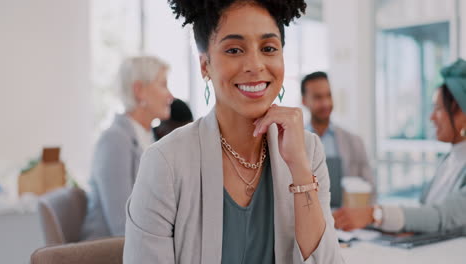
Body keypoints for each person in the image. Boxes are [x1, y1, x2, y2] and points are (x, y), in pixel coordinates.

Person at [124, 0, 343, 263]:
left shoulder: (307, 151)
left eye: (269, 48)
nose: (255, 65)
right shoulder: (165, 162)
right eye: (234, 50)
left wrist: (299, 167)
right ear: (205, 65)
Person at [333, 58, 466, 233]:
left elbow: (442, 216)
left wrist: (376, 214)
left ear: (461, 114)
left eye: (438, 108)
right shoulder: (449, 160)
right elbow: (424, 210)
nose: (432, 117)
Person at [81, 56, 174, 240]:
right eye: (163, 85)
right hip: (106, 253)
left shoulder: (147, 136)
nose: (170, 96)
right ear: (139, 90)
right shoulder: (114, 140)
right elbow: (120, 224)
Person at [301, 71, 376, 203]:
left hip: (345, 218)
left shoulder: (354, 142)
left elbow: (371, 190)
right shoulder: (295, 141)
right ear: (304, 101)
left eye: (328, 95)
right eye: (318, 97)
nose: (326, 103)